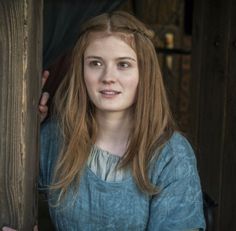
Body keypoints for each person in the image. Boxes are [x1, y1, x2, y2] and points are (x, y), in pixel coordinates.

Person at [3, 11, 205, 231]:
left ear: (144, 73)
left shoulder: (171, 155)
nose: (108, 77)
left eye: (123, 64)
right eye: (96, 63)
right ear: (82, 71)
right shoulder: (55, 137)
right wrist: (20, 130)